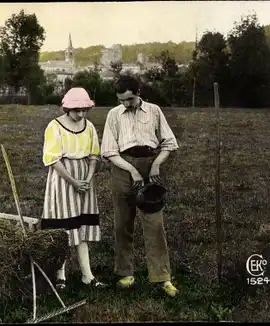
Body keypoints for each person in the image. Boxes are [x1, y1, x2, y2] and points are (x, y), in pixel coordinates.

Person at [100, 75, 180, 297]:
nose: (125, 104)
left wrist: (155, 165)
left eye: (129, 99)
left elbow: (169, 143)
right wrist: (131, 170)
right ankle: (125, 273)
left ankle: (162, 277)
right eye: (121, 100)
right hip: (123, 167)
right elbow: (108, 150)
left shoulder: (154, 111)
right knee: (122, 223)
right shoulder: (113, 115)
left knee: (154, 224)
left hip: (149, 166)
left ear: (138, 93)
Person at [41, 87, 106, 289]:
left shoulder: (89, 127)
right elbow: (53, 159)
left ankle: (87, 275)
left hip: (84, 178)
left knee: (82, 227)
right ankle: (61, 276)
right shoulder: (54, 126)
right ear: (67, 108)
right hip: (63, 179)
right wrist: (73, 182)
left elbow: (94, 155)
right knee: (64, 228)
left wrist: (87, 178)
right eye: (76, 110)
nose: (81, 114)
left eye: (84, 110)